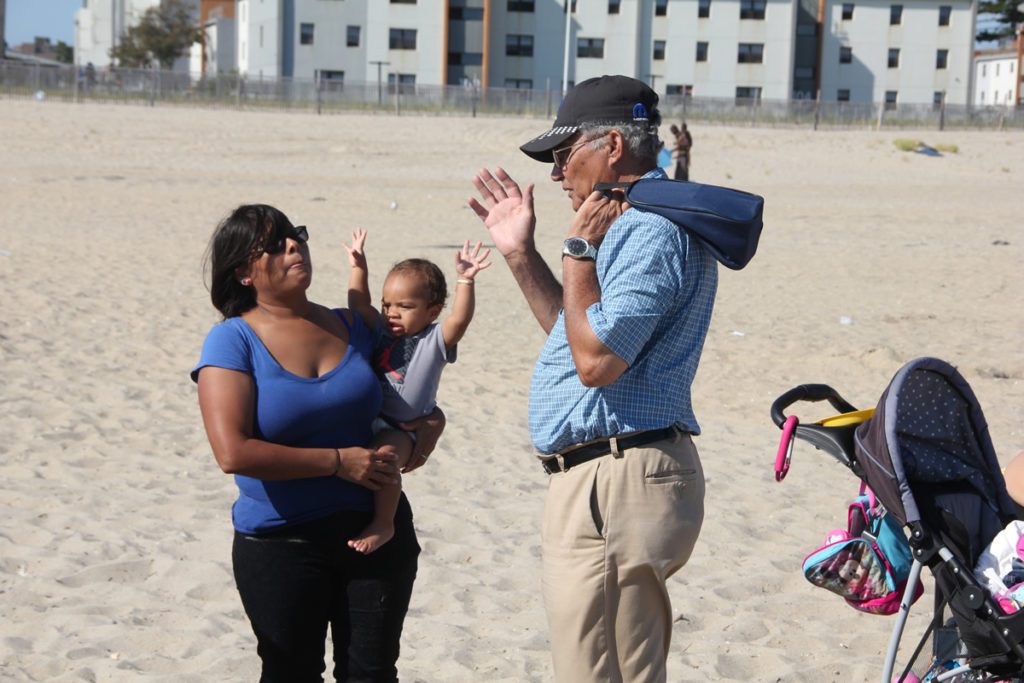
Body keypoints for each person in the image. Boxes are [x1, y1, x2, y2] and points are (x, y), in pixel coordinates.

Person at [467, 75, 718, 682]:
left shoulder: (649, 228)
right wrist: (521, 255)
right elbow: (575, 333)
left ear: (610, 145)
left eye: (562, 154)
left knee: (600, 672)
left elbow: (597, 362)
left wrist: (578, 251)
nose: (555, 174)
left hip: (617, 479)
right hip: (610, 475)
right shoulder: (629, 220)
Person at [192, 204, 445, 682]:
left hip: (375, 531)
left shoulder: (354, 327)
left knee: (371, 675)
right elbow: (233, 452)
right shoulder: (232, 341)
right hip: (280, 542)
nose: (294, 245)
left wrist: (427, 433)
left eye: (295, 235)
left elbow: (412, 395)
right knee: (292, 674)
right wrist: (336, 463)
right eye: (274, 243)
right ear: (244, 272)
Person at [342, 229, 490, 553]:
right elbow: (357, 303)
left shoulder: (434, 340)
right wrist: (358, 266)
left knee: (386, 458)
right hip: (372, 417)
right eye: (387, 304)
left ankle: (384, 522)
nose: (392, 312)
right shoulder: (381, 329)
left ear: (432, 312)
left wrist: (466, 280)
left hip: (403, 429)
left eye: (404, 306)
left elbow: (460, 320)